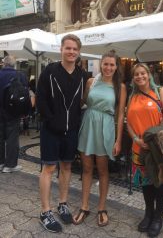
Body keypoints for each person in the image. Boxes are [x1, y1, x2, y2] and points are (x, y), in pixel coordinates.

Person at [36, 34, 87, 233]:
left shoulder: (82, 75)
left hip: (71, 130)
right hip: (51, 129)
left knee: (66, 166)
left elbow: (81, 101)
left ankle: (63, 203)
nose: (71, 52)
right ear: (61, 49)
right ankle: (45, 211)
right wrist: (51, 119)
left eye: (75, 49)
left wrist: (74, 122)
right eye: (68, 48)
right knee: (49, 168)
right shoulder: (50, 71)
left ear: (78, 51)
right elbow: (40, 99)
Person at [73, 50, 126, 227]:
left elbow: (119, 115)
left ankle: (102, 207)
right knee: (86, 168)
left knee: (103, 170)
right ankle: (84, 206)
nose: (108, 67)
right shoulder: (91, 81)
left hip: (106, 128)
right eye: (106, 64)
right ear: (101, 64)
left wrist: (118, 140)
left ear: (116, 66)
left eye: (112, 64)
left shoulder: (121, 87)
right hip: (88, 124)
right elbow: (81, 103)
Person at [126, 63, 163, 237]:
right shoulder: (132, 97)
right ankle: (148, 213)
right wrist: (136, 139)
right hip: (140, 147)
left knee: (160, 182)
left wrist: (154, 137)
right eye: (136, 74)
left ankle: (158, 216)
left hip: (159, 146)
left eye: (143, 73)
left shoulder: (160, 91)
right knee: (146, 182)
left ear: (148, 74)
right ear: (133, 78)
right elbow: (128, 123)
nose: (140, 76)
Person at [0, 55, 28, 173]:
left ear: (4, 63)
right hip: (13, 112)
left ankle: (0, 163)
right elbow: (25, 93)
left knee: (0, 138)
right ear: (14, 64)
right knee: (12, 138)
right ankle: (10, 165)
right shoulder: (20, 75)